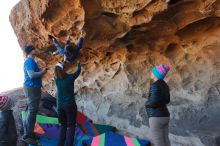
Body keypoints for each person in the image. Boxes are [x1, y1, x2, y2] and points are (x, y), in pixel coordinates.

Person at [22, 45, 48, 144]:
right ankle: (28, 136)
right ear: (30, 51)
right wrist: (43, 72)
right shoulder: (29, 61)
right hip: (31, 88)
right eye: (34, 49)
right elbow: (31, 75)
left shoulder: (31, 61)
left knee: (31, 111)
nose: (36, 50)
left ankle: (29, 133)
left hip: (32, 88)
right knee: (32, 111)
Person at [54, 61, 81, 146]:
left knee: (63, 125)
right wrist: (78, 64)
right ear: (64, 69)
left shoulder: (56, 79)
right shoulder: (70, 77)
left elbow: (59, 69)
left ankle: (60, 144)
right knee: (71, 125)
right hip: (70, 105)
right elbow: (78, 71)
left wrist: (63, 64)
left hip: (60, 106)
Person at [145, 64, 171, 146]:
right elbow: (167, 100)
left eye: (152, 73)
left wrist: (146, 104)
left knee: (157, 141)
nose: (151, 74)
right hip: (165, 116)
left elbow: (153, 102)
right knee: (166, 140)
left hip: (156, 117)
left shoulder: (155, 85)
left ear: (156, 75)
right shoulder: (165, 85)